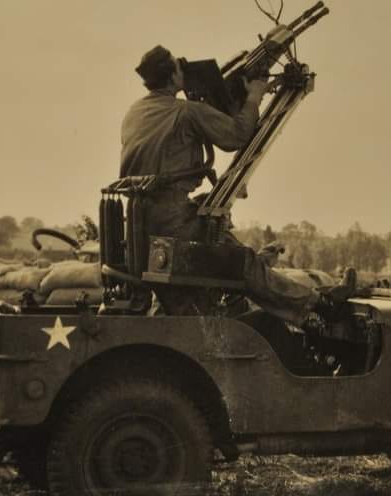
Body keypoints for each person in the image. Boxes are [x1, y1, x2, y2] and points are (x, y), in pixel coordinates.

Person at [120, 45, 338, 324]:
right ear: (173, 77)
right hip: (172, 221)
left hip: (141, 221)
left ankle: (273, 277)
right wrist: (254, 98)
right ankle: (316, 306)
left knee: (221, 256)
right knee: (241, 263)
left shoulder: (135, 112)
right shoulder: (187, 112)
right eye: (179, 67)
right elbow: (236, 136)